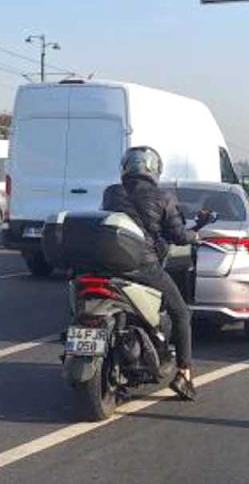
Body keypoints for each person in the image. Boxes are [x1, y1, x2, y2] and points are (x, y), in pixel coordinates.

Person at [100, 146, 202, 399]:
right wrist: (195, 235)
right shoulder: (163, 197)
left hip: (105, 263)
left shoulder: (112, 193)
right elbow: (178, 235)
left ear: (126, 167)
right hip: (143, 266)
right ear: (154, 169)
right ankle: (184, 374)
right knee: (181, 313)